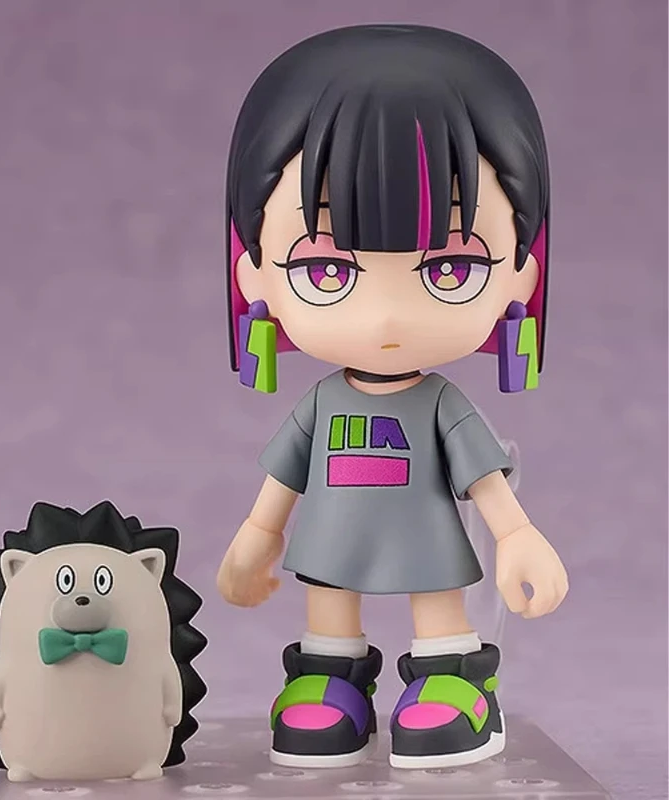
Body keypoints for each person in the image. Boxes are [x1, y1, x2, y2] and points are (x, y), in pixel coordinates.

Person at [218, 24, 568, 770]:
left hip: (423, 535)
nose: (384, 318)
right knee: (329, 596)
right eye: (325, 270)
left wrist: (517, 536)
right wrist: (256, 537)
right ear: (253, 274)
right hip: (335, 535)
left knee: (436, 595)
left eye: (450, 268)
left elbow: (485, 483)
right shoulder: (320, 405)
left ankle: (451, 676)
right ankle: (328, 676)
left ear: (522, 273)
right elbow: (280, 485)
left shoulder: (441, 405)